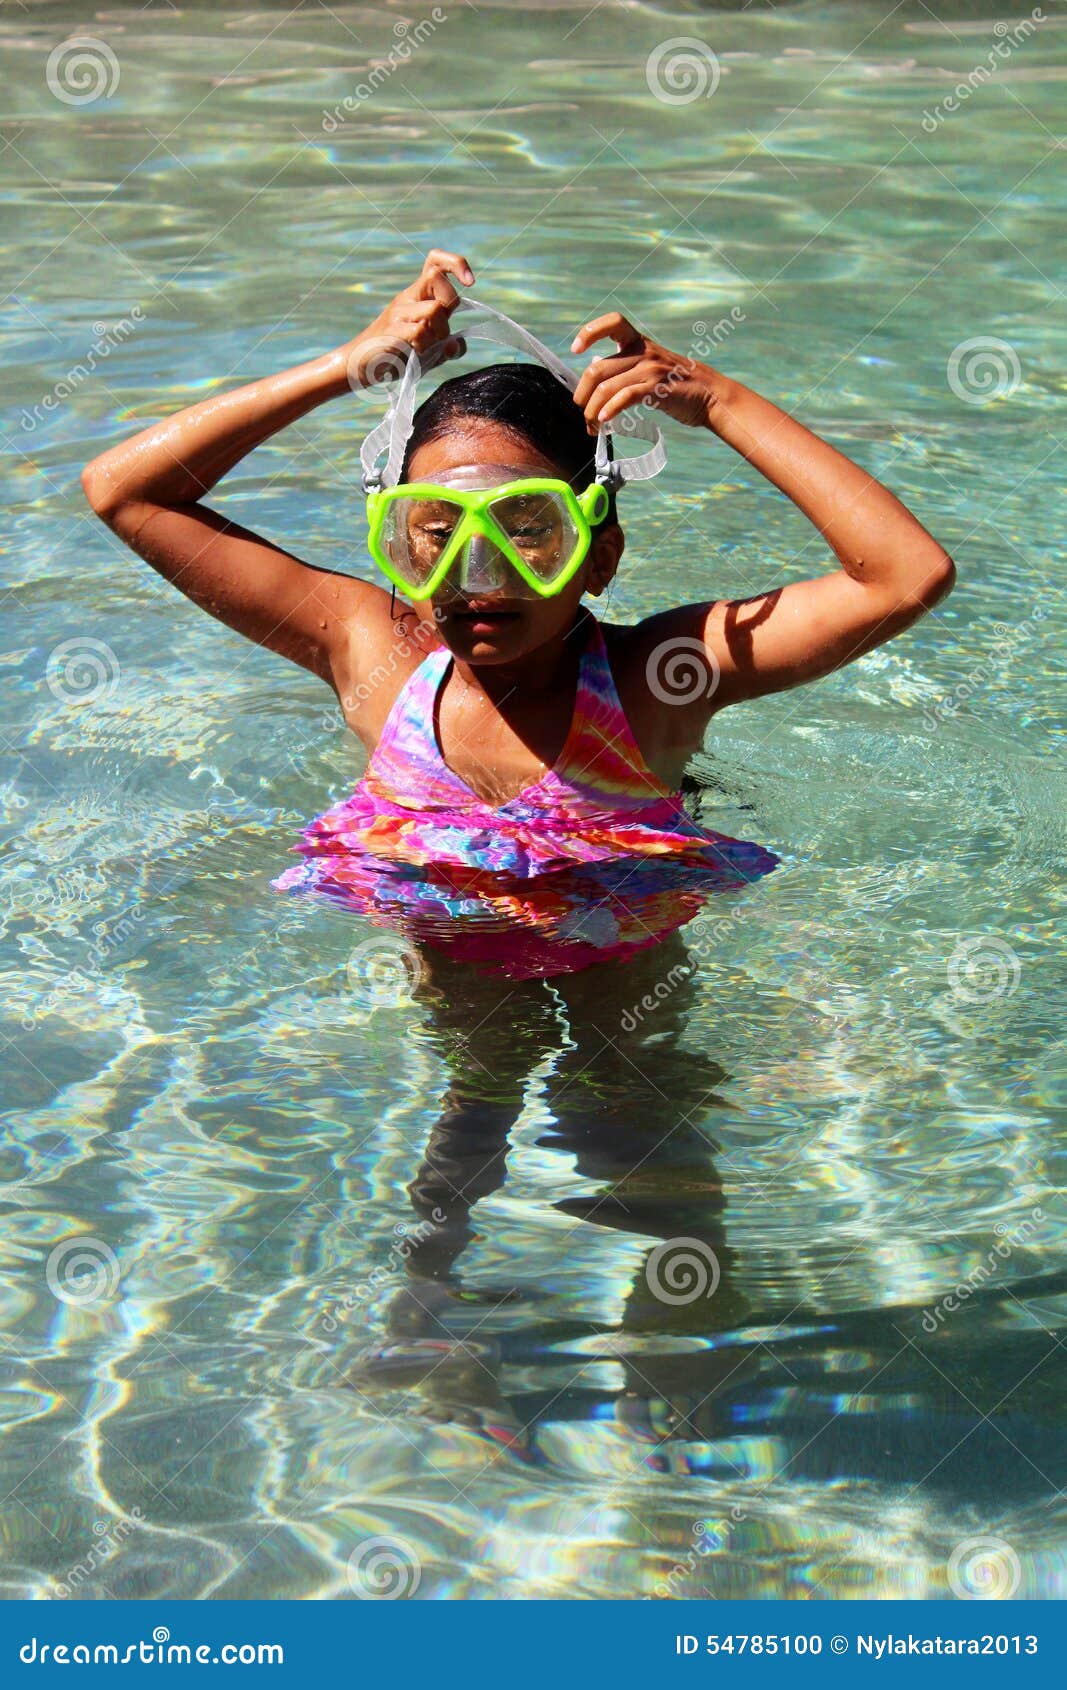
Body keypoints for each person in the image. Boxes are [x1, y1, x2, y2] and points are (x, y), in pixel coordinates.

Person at [80, 249, 955, 978]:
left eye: (526, 529)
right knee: (460, 1137)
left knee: (638, 1146)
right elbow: (122, 491)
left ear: (598, 556)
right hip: (452, 965)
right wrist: (349, 367)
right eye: (433, 533)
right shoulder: (370, 652)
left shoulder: (655, 680)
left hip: (620, 971)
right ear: (396, 543)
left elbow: (904, 577)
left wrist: (719, 401)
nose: (475, 575)